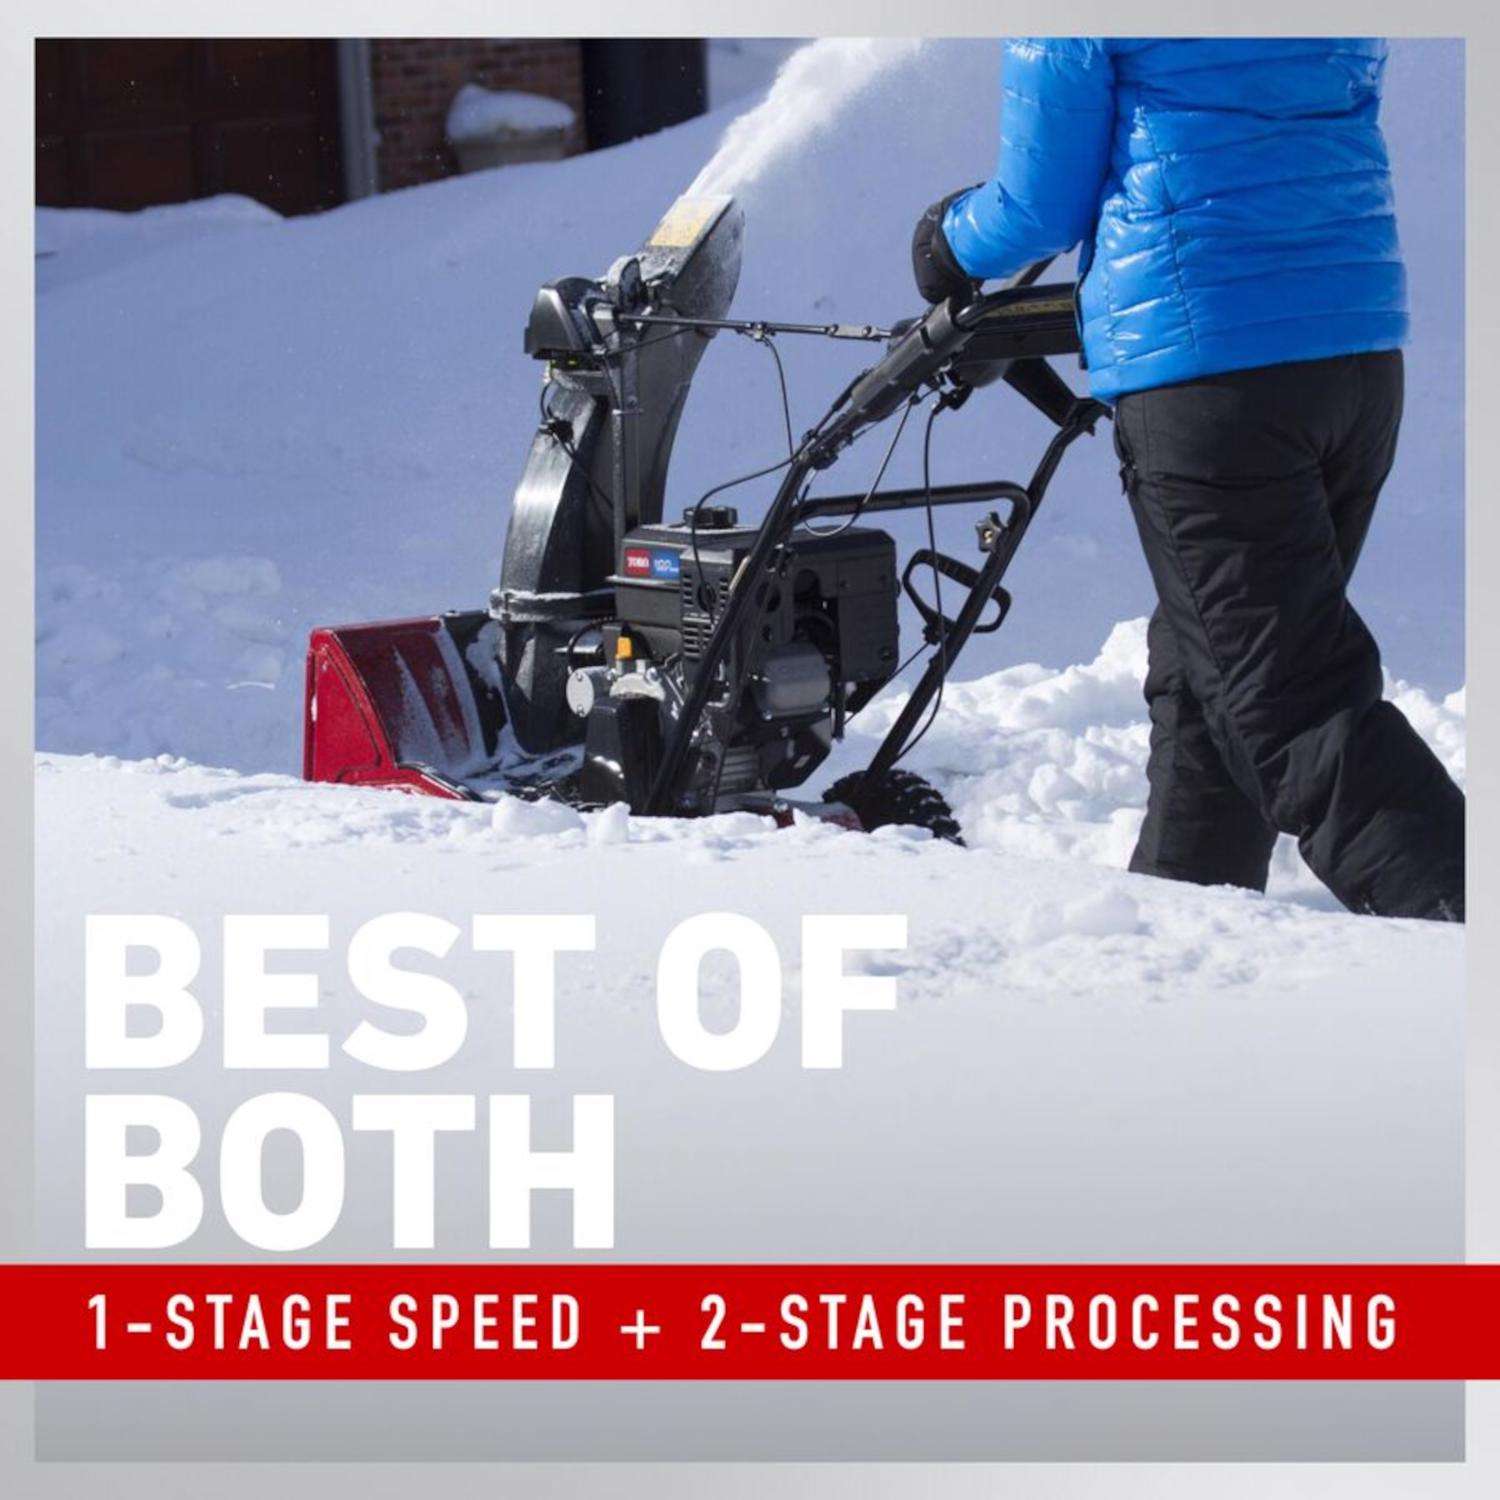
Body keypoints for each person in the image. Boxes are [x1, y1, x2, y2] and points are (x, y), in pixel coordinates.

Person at [912, 37, 1464, 921]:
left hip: (1214, 375)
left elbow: (1042, 202)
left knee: (1292, 712)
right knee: (1214, 684)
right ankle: (1182, 941)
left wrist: (948, 239)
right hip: (1353, 353)